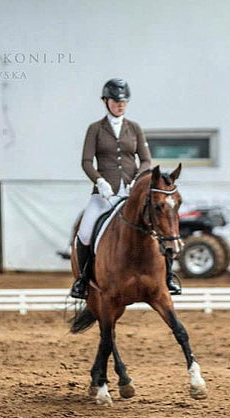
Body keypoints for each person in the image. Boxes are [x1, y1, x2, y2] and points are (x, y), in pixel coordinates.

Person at [70, 78, 182, 299]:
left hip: (132, 194)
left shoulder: (135, 128)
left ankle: (167, 277)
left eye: (124, 102)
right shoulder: (95, 129)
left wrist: (138, 179)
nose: (120, 105)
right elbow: (86, 162)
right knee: (84, 233)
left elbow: (146, 160)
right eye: (115, 101)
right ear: (106, 101)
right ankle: (83, 280)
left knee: (160, 229)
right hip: (104, 194)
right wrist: (99, 181)